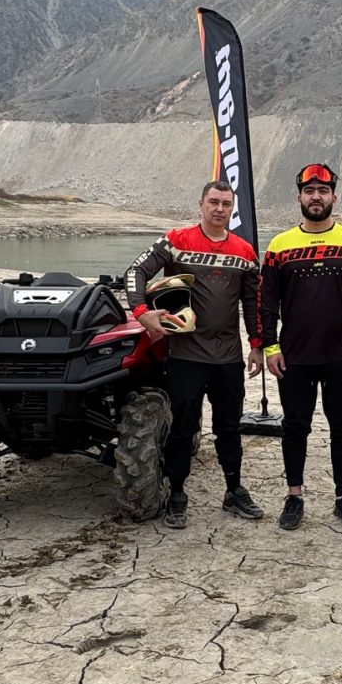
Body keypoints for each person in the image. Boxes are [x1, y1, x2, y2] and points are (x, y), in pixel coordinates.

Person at [126, 179, 263, 528]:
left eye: (226, 204)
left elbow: (253, 303)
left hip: (229, 356)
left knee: (229, 427)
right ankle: (177, 495)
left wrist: (257, 345)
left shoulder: (245, 251)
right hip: (186, 354)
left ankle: (234, 490)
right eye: (213, 202)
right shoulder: (176, 241)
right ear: (200, 204)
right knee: (182, 429)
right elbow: (135, 272)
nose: (219, 209)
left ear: (232, 209)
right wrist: (142, 312)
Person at [258, 163, 342, 531]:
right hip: (294, 356)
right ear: (299, 197)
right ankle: (294, 497)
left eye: (323, 191)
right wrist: (269, 347)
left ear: (333, 198)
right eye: (309, 191)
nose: (316, 197)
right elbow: (266, 302)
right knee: (295, 426)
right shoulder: (280, 245)